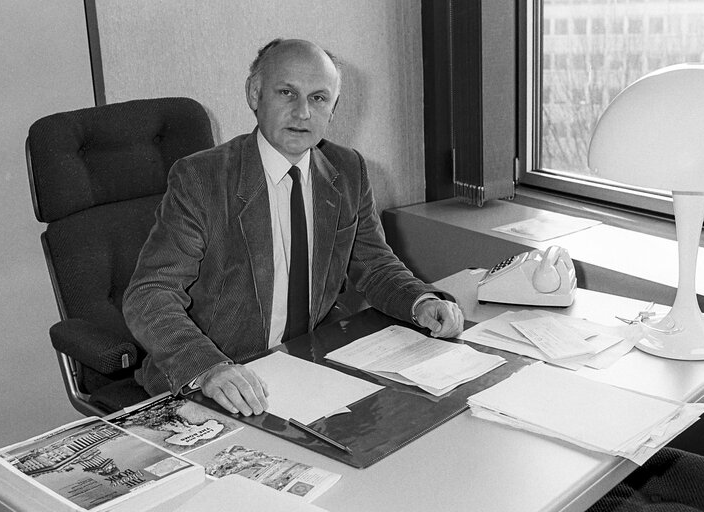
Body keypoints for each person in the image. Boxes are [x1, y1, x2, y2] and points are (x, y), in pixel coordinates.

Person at [123, 38, 464, 418]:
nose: (302, 112)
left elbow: (374, 264)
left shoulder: (347, 170)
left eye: (319, 98)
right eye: (287, 93)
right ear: (255, 93)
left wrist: (422, 301)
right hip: (221, 377)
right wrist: (208, 368)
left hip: (309, 365)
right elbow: (151, 294)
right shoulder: (202, 178)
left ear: (333, 109)